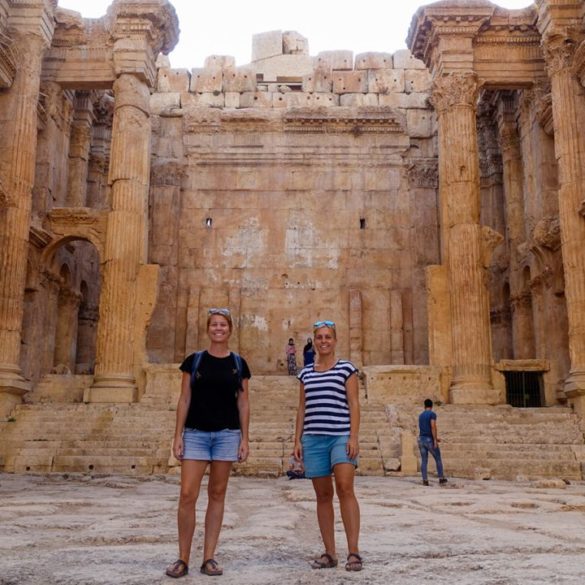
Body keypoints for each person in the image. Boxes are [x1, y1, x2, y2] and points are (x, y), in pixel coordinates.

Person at [166, 308, 251, 578]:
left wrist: (245, 438)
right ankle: (182, 558)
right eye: (214, 324)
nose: (218, 328)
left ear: (230, 329)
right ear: (208, 328)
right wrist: (177, 435)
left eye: (223, 325)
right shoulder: (194, 361)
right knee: (187, 494)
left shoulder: (239, 363)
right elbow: (185, 399)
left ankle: (209, 557)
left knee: (217, 494)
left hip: (227, 434)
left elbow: (244, 402)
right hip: (196, 433)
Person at [293, 320, 363, 572]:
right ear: (314, 341)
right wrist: (297, 439)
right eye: (320, 337)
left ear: (335, 340)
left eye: (328, 337)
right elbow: (302, 408)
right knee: (323, 496)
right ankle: (330, 552)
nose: (324, 341)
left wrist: (353, 437)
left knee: (345, 488)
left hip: (340, 436)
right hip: (313, 438)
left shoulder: (346, 368)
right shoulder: (305, 373)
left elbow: (354, 403)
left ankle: (353, 551)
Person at [418, 398, 448, 486]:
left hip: (421, 439)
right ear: (432, 406)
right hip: (429, 440)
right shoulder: (432, 414)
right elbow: (433, 426)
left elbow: (424, 428)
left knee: (424, 460)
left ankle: (425, 480)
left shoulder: (420, 415)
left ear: (424, 406)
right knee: (438, 458)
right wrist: (435, 440)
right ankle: (441, 478)